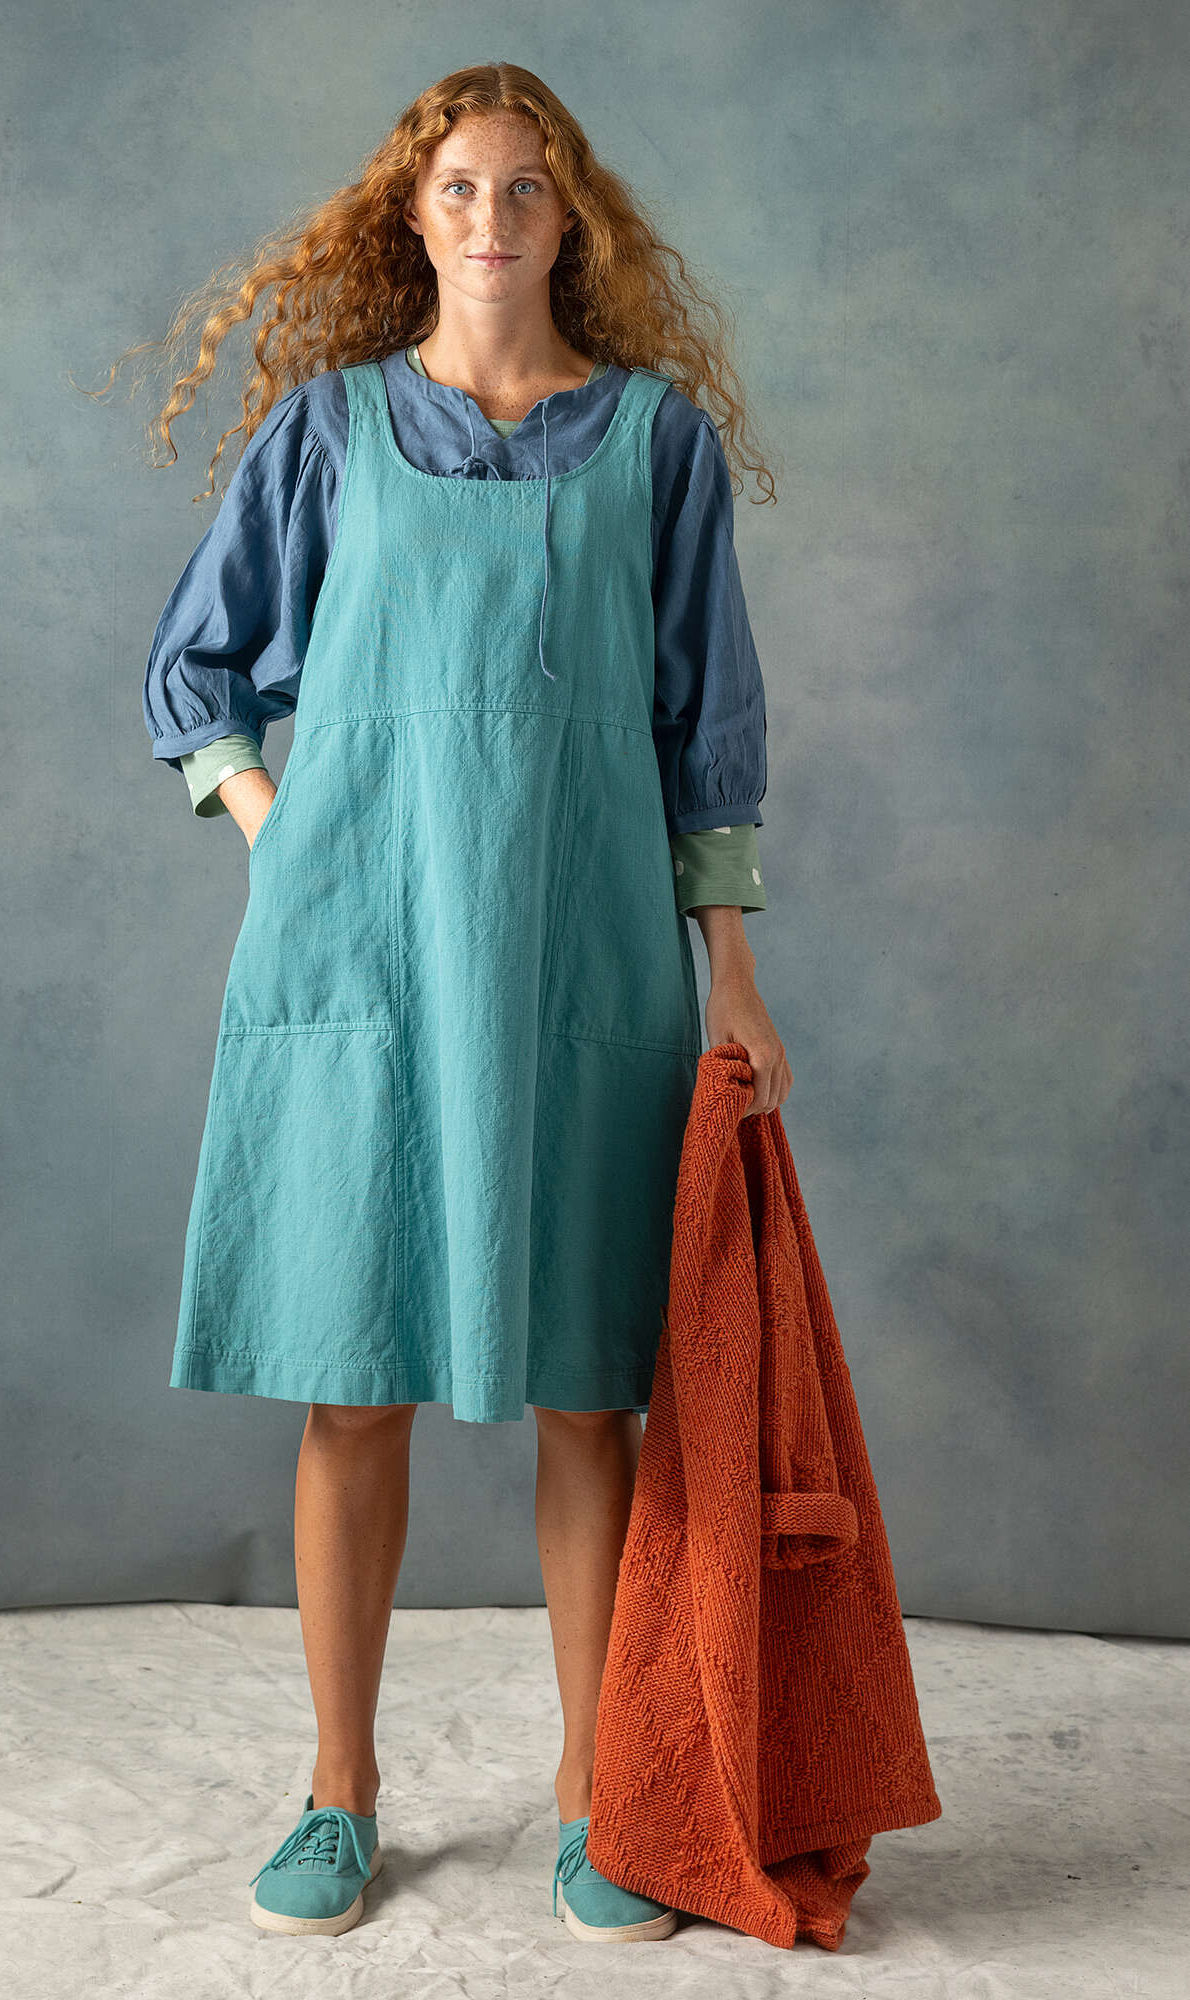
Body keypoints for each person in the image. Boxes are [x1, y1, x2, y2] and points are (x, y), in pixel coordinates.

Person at [131, 61, 793, 1941]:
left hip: (588, 962)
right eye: (458, 188)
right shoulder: (330, 431)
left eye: (523, 186)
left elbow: (707, 729)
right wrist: (279, 827)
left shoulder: (654, 445)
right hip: (358, 958)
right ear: (409, 217)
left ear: (570, 217)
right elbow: (197, 676)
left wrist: (734, 975)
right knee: (354, 1389)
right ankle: (338, 1793)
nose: (490, 217)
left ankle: (599, 1797)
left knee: (589, 1397)